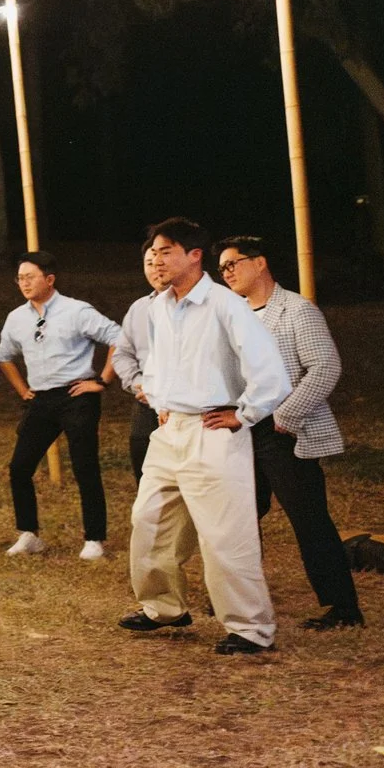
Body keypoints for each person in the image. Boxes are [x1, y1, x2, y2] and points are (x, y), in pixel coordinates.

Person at [119, 218, 290, 655]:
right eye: (152, 252)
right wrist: (159, 398)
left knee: (224, 535)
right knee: (149, 521)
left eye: (166, 251)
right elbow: (160, 362)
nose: (156, 260)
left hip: (212, 431)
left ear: (195, 256)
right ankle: (164, 608)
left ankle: (251, 629)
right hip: (168, 429)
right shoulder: (159, 306)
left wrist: (244, 413)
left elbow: (270, 371)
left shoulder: (225, 305)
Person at [217, 236, 361, 630]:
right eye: (222, 268)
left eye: (232, 263)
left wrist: (287, 414)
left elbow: (325, 367)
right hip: (243, 428)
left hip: (284, 431)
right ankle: (241, 598)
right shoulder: (233, 315)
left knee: (308, 518)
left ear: (260, 262)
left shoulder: (296, 310)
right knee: (241, 517)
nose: (226, 273)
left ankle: (343, 608)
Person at [0, 251, 124, 560]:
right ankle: (28, 534)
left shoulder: (77, 311)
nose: (24, 283)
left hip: (77, 394)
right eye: (20, 278)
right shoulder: (17, 317)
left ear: (49, 279)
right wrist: (22, 390)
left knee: (84, 465)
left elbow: (120, 338)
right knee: (20, 467)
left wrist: (103, 381)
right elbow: (4, 356)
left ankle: (94, 538)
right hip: (41, 398)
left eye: (30, 277)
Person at [113, 243, 176, 483]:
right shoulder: (139, 308)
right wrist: (138, 383)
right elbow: (122, 353)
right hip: (145, 404)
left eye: (161, 261)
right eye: (149, 263)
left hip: (185, 408)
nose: (155, 268)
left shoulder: (199, 306)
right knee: (146, 477)